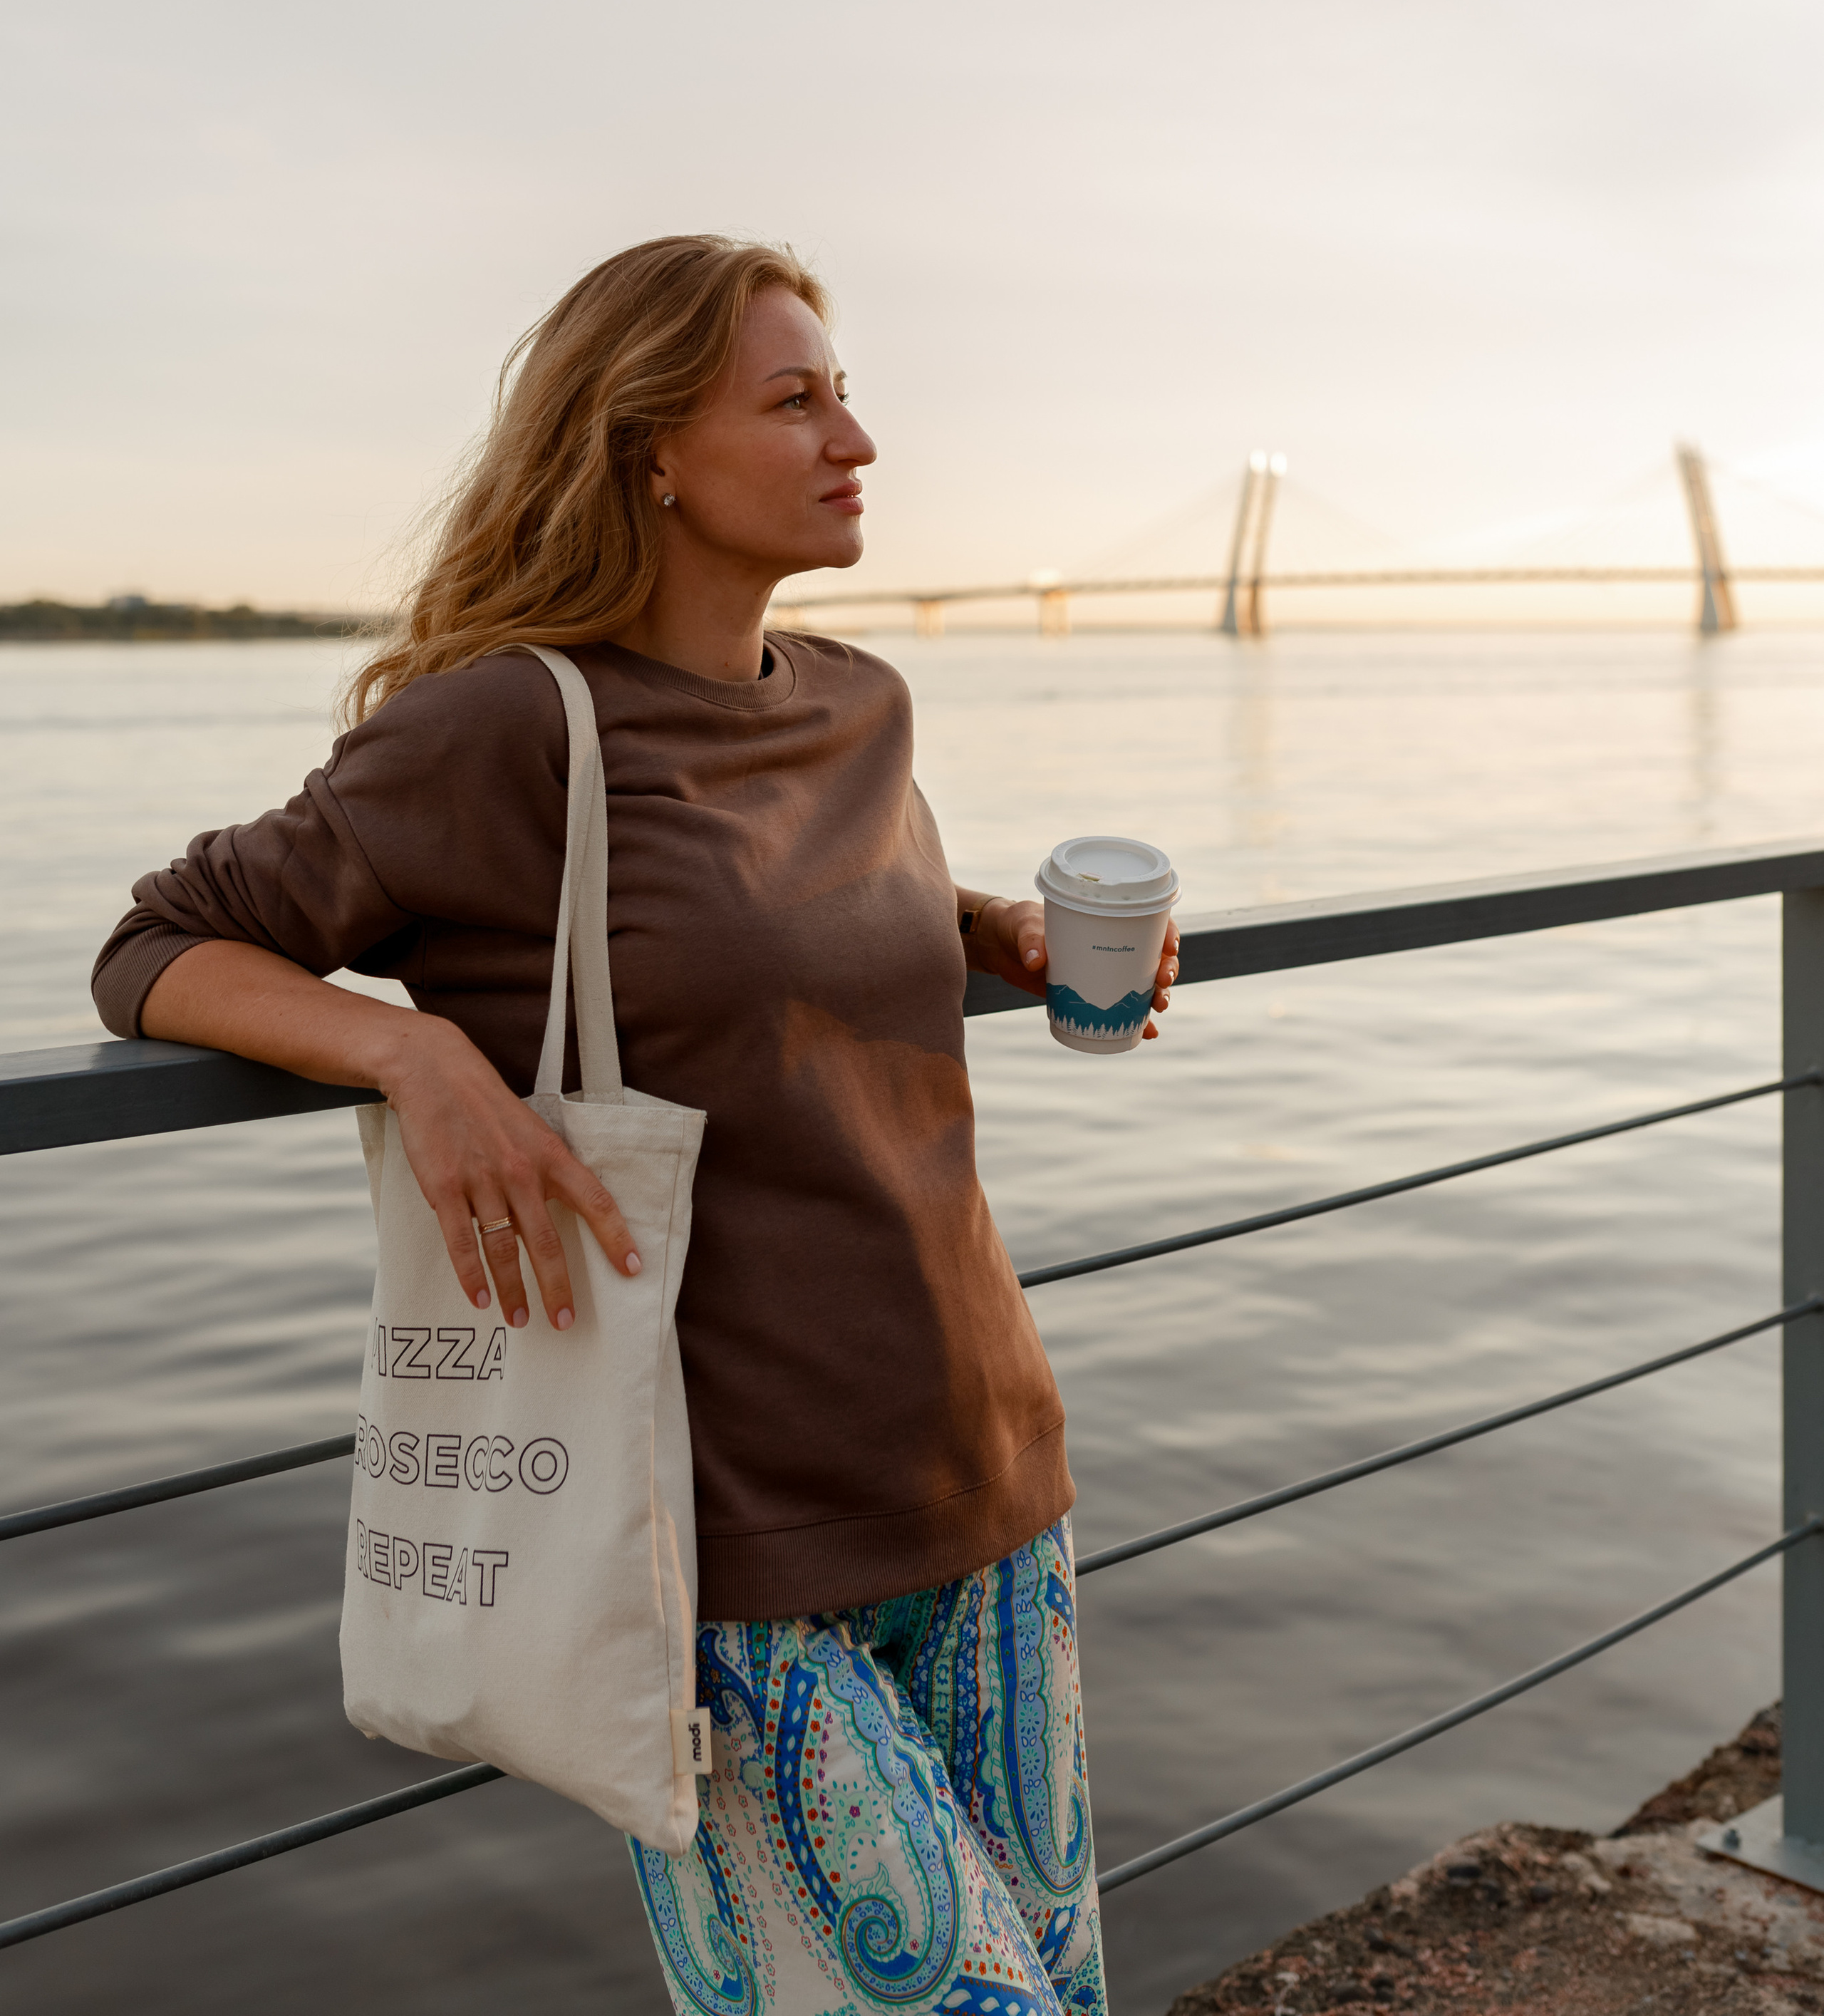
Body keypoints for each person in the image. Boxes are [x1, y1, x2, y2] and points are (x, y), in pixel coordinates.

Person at [91, 233, 1178, 2016]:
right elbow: (156, 946)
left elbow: (774, 930)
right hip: (719, 1556)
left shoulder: (860, 704)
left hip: (986, 1478)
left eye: (846, 392)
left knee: (1064, 1993)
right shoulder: (509, 727)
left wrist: (989, 925)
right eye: (796, 398)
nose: (857, 438)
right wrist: (416, 1055)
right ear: (649, 447)